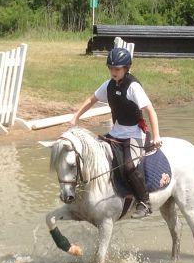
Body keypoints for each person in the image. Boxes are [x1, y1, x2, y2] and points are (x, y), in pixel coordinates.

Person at [69, 47, 161, 218]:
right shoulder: (109, 85)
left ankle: (144, 202)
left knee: (129, 166)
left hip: (134, 134)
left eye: (117, 69)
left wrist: (156, 136)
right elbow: (92, 99)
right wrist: (76, 116)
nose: (113, 72)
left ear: (126, 68)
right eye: (111, 68)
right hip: (116, 133)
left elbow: (150, 110)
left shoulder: (133, 86)